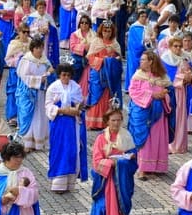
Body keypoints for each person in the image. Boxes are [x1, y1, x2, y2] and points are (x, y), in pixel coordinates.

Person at [90, 108, 137, 215]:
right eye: (113, 120)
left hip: (122, 181)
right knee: (105, 208)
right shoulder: (101, 139)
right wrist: (112, 163)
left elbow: (133, 159)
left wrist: (128, 159)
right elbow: (96, 161)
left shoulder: (127, 136)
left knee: (119, 207)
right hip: (106, 181)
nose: (116, 123)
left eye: (118, 120)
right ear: (107, 121)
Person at [129, 50, 173, 180]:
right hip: (144, 111)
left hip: (158, 112)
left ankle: (157, 167)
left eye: (143, 60)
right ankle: (142, 169)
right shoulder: (138, 75)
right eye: (141, 59)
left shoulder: (163, 77)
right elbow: (133, 92)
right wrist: (152, 95)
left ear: (151, 62)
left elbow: (170, 92)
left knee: (157, 138)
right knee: (145, 139)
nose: (141, 61)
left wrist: (164, 95)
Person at [45, 63, 87, 193]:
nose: (66, 77)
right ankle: (58, 183)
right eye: (63, 75)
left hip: (72, 125)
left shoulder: (76, 87)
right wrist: (61, 110)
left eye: (68, 75)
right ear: (59, 75)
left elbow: (80, 105)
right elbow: (48, 106)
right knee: (58, 150)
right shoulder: (53, 88)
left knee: (71, 150)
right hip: (58, 123)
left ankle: (69, 183)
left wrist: (77, 110)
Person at [15, 38, 54, 152]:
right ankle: (27, 143)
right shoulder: (26, 60)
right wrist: (39, 79)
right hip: (28, 93)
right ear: (32, 49)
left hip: (41, 93)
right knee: (28, 116)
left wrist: (49, 74)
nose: (39, 50)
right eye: (37, 48)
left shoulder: (44, 60)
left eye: (41, 47)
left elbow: (50, 71)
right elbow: (23, 76)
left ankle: (39, 142)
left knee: (40, 116)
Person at [86, 20, 122, 130]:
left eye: (109, 31)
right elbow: (90, 58)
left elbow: (119, 59)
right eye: (105, 31)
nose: (107, 33)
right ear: (101, 31)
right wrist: (104, 60)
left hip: (109, 76)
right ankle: (94, 123)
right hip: (98, 73)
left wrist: (114, 59)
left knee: (108, 96)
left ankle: (106, 123)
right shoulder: (96, 42)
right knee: (96, 96)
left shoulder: (115, 44)